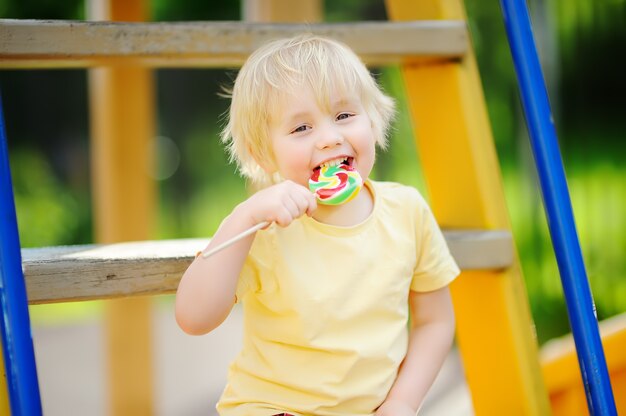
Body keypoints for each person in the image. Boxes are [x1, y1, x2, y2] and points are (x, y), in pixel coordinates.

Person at [175, 34, 460, 416]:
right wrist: (243, 217)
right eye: (301, 128)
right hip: (272, 408)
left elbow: (435, 321)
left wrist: (402, 403)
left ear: (372, 120)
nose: (329, 138)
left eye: (344, 116)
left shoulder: (406, 211)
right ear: (263, 155)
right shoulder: (265, 227)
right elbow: (193, 317)